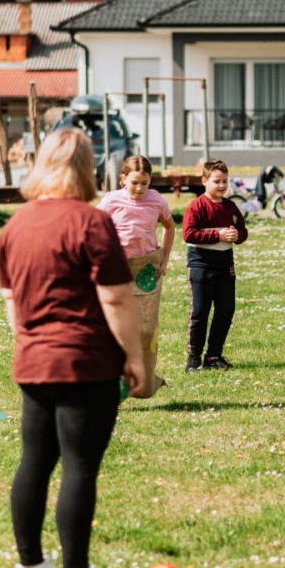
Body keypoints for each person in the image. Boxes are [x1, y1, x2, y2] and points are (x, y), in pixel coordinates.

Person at [0, 128, 144, 568]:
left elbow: (11, 302)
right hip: (85, 363)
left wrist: (28, 343)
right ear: (86, 167)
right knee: (79, 467)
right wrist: (134, 357)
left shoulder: (13, 225)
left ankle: (29, 567)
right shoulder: (90, 221)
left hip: (34, 361)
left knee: (34, 462)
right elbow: (117, 297)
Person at [97, 155, 175, 396]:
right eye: (134, 183)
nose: (140, 188)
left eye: (145, 183)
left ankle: (143, 383)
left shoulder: (157, 201)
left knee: (146, 329)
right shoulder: (112, 201)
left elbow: (170, 227)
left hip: (147, 269)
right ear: (123, 180)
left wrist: (165, 258)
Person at [182, 159, 247, 372]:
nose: (221, 185)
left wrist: (237, 235)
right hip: (201, 265)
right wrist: (217, 234)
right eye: (216, 181)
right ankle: (194, 358)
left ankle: (214, 356)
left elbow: (242, 232)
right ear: (204, 181)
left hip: (225, 265)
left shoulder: (230, 206)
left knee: (225, 309)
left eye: (225, 181)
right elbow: (188, 234)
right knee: (200, 312)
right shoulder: (197, 206)